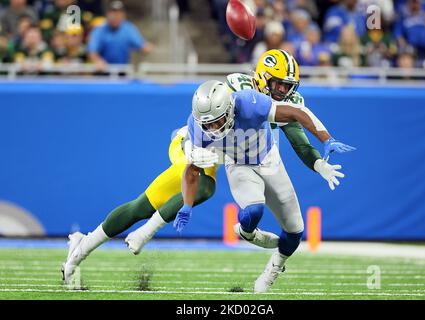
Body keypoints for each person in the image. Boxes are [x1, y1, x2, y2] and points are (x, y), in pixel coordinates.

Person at [61, 50, 352, 287]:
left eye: (287, 86)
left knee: (181, 194)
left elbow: (296, 132)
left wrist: (319, 157)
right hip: (197, 145)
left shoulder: (258, 104)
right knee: (186, 191)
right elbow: (202, 145)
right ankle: (114, 240)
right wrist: (154, 227)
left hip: (233, 150)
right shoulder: (237, 94)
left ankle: (83, 243)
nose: (282, 91)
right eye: (277, 84)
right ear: (262, 79)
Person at [176, 80, 355, 293]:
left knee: (295, 231)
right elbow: (192, 170)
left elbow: (297, 112)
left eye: (217, 121)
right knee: (254, 208)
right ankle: (247, 233)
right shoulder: (198, 126)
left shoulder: (250, 103)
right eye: (208, 124)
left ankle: (274, 268)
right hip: (238, 165)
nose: (213, 129)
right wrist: (187, 205)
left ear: (230, 108)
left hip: (269, 161)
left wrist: (326, 139)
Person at [87, 0, 153, 70]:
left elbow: (141, 45)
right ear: (107, 14)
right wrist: (98, 61)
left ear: (123, 15)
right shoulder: (100, 29)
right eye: (113, 13)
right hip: (103, 72)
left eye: (118, 13)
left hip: (122, 71)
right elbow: (92, 51)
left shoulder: (128, 28)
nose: (116, 16)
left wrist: (147, 47)